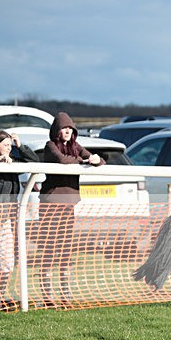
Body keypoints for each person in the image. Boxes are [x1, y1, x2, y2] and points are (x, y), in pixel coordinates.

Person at [39, 112, 104, 307]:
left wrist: (95, 159)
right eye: (64, 128)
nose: (67, 131)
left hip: (69, 206)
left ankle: (65, 295)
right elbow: (62, 160)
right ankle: (48, 296)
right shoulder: (50, 146)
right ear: (57, 130)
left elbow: (98, 160)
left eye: (70, 128)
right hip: (51, 205)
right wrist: (83, 161)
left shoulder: (76, 147)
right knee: (49, 250)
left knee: (66, 251)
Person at [0, 131, 40, 311]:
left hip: (5, 220)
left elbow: (34, 161)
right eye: (5, 145)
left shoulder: (12, 163)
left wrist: (20, 146)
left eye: (10, 145)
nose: (9, 148)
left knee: (7, 263)